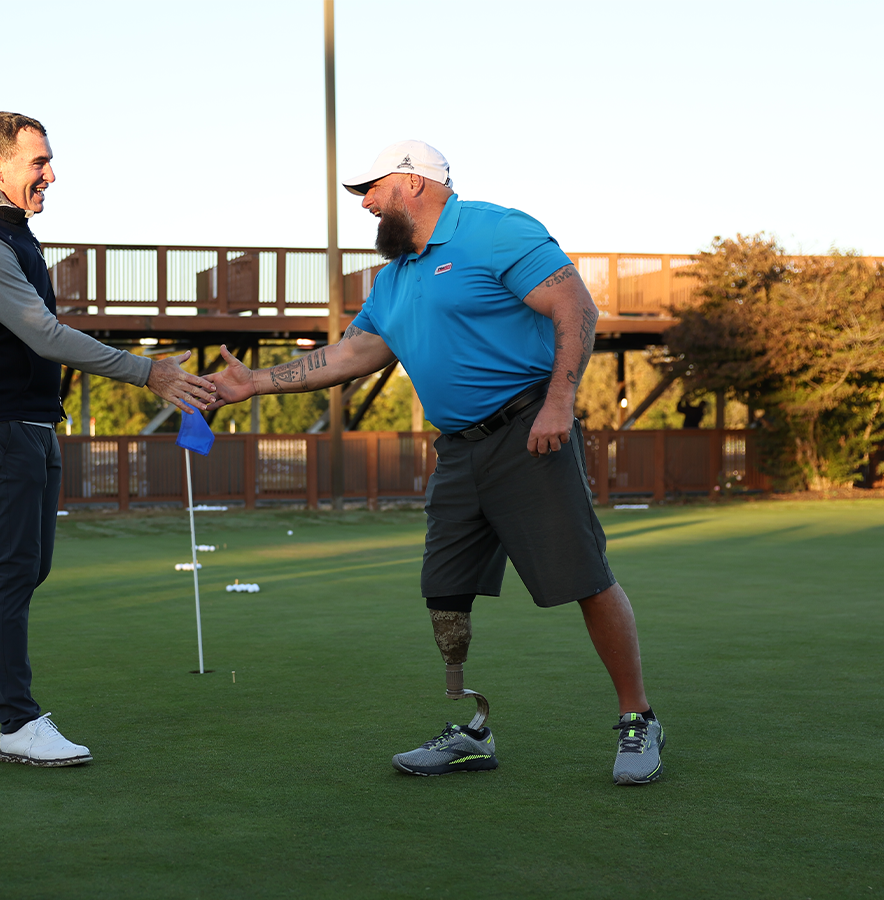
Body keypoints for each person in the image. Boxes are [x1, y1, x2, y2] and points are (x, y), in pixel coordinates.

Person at [207, 141, 664, 784]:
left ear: (415, 183)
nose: (362, 201)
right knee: (446, 591)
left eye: (371, 186)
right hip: (457, 450)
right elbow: (351, 355)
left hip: (529, 430)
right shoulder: (394, 278)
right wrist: (257, 382)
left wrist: (560, 402)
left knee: (583, 578)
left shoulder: (494, 229)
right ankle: (472, 729)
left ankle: (637, 717)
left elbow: (575, 308)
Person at [0, 112, 215, 767]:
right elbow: (43, 334)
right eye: (38, 162)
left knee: (27, 567)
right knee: (11, 571)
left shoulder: (11, 233)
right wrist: (148, 372)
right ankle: (18, 723)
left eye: (48, 160)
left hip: (31, 424)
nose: (51, 173)